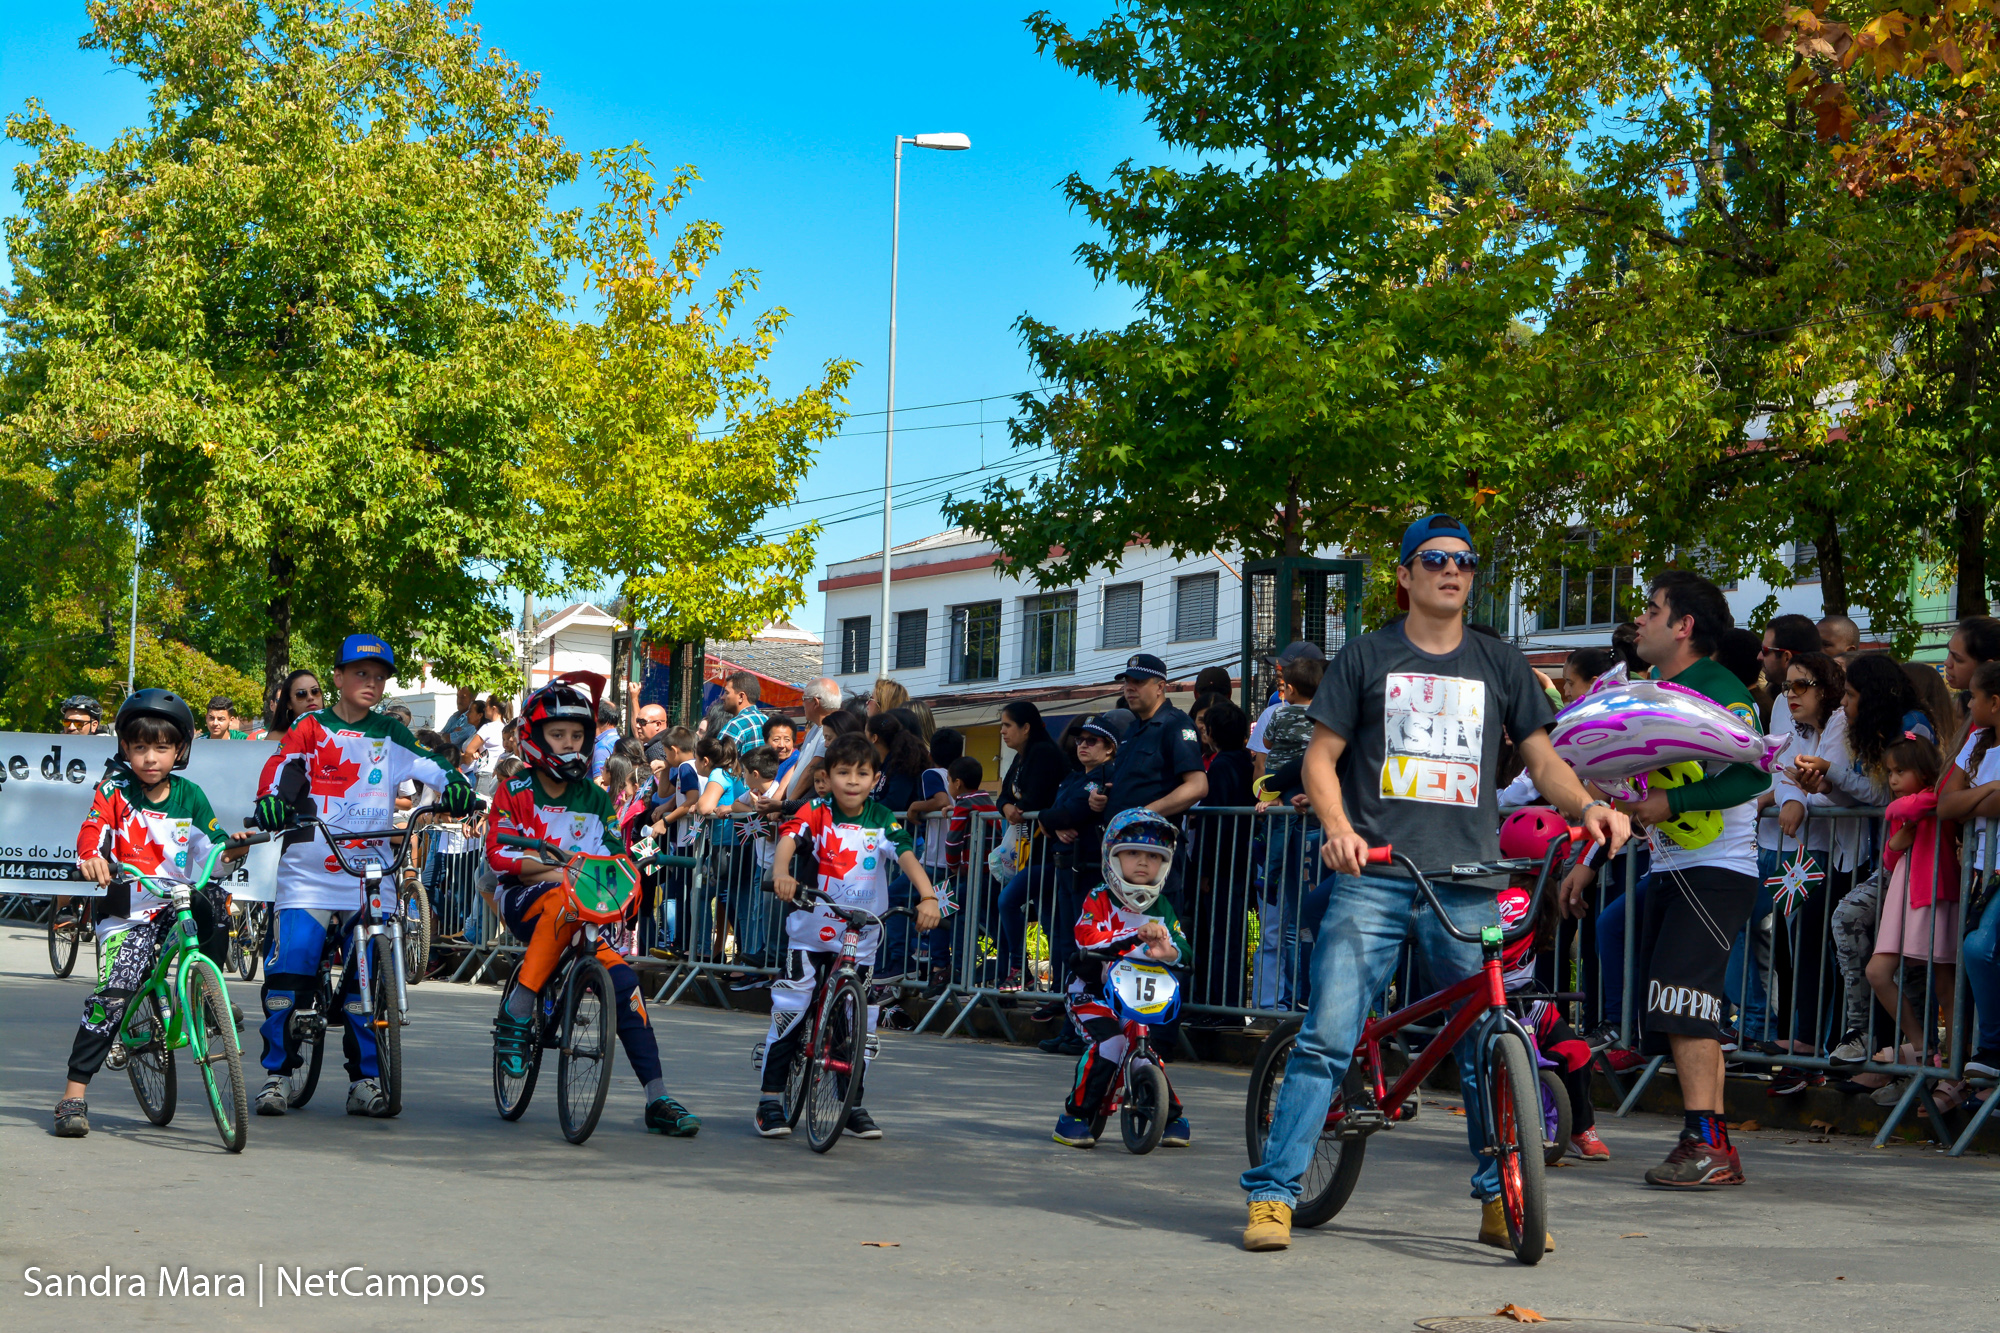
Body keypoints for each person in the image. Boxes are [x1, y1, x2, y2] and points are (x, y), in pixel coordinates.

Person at [1242, 513, 1627, 1253]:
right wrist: (1338, 829)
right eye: (1435, 558)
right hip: (1376, 877)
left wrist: (1587, 807)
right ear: (1406, 574)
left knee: (1488, 1038)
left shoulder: (1500, 662)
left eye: (1464, 560)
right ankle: (1273, 1194)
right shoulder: (1366, 656)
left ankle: (1500, 1198)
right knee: (1327, 1038)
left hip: (1467, 881)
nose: (1452, 569)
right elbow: (1321, 760)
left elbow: (1544, 761)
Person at [248, 635, 479, 1118]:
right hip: (308, 870)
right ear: (337, 676)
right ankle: (278, 1076)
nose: (371, 684)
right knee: (289, 972)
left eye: (379, 677)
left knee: (366, 984)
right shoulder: (310, 727)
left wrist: (457, 786)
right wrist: (270, 800)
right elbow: (280, 767)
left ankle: (365, 1080)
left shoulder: (390, 734)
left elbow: (433, 766)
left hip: (371, 874)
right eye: (361, 674)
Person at [1607, 571, 1770, 1188]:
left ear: (1685, 627)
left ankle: (1709, 1145)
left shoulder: (1718, 688)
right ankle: (1705, 1140)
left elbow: (1753, 776)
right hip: (1672, 867)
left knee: (1684, 1002)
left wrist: (1668, 808)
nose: (1640, 620)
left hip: (1717, 871)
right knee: (1676, 1004)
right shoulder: (1654, 688)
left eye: (1652, 610)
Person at [484, 679, 699, 1137]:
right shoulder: (514, 790)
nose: (569, 744)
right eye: (558, 735)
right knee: (561, 896)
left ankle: (657, 1097)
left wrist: (627, 873)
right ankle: (520, 1008)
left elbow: (616, 854)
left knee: (627, 989)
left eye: (577, 736)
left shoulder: (597, 799)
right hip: (523, 900)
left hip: (581, 911)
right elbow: (500, 856)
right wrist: (555, 873)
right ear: (535, 737)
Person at [51, 690, 247, 1137]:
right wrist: (91, 858)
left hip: (173, 904)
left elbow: (211, 849)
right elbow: (92, 830)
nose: (150, 758)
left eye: (161, 747)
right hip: (129, 911)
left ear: (180, 750)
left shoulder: (190, 796)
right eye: (139, 747)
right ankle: (72, 1097)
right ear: (125, 748)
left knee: (212, 900)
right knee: (113, 998)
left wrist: (230, 848)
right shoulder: (114, 791)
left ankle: (207, 994)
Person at [762, 733, 943, 1138]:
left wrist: (928, 896)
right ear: (826, 777)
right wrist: (781, 874)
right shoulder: (815, 811)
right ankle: (770, 1099)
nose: (853, 781)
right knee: (792, 1008)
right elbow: (789, 838)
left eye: (862, 773)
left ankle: (851, 1103)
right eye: (843, 772)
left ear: (875, 779)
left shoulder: (881, 818)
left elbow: (906, 855)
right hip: (810, 931)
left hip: (860, 935)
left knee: (858, 1020)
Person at [1051, 808, 1193, 1148]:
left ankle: (1168, 1114)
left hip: (1137, 995)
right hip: (1091, 993)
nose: (1143, 862)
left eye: (1153, 856)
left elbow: (1184, 950)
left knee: (1144, 1051)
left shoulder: (1164, 908)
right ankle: (1075, 1115)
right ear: (1112, 857)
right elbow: (1086, 939)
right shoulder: (1099, 898)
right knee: (1111, 1044)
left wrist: (1169, 952)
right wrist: (1135, 938)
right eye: (1132, 853)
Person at [1761, 652, 1856, 1078]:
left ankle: (1817, 1039)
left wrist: (1804, 795)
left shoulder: (1839, 723)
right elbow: (1786, 776)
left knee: (1818, 939)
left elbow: (1830, 781)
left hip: (1840, 853)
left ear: (1826, 688)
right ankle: (1799, 1034)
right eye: (1787, 687)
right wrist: (1796, 798)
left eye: (1801, 686)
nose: (1791, 695)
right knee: (1791, 932)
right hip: (1807, 853)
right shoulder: (1801, 729)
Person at [1089, 655, 1209, 912]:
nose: (1129, 688)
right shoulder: (1132, 729)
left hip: (1155, 850)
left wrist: (1145, 813)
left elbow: (1198, 786)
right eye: (1127, 682)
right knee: (1125, 940)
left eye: (1139, 682)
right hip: (1123, 852)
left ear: (1160, 686)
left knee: (1158, 941)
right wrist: (1104, 798)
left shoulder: (1176, 724)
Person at [1866, 736, 1958, 1068]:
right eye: (1889, 772)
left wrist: (1893, 812)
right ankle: (1921, 1045)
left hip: (1934, 892)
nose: (1892, 780)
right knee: (1877, 972)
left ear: (1922, 770)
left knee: (1945, 984)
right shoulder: (1907, 806)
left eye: (1900, 771)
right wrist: (1895, 841)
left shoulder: (1937, 799)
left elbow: (1912, 805)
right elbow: (1890, 861)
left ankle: (1954, 1058)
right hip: (1904, 896)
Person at [1935, 660, 2000, 1082]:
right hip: (1980, 874)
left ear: (1994, 702)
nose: (1968, 703)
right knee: (1974, 951)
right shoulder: (1977, 740)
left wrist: (1975, 799)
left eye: (1974, 697)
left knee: (1980, 948)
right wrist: (1991, 789)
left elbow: (1983, 808)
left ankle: (1992, 1047)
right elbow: (1946, 806)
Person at [994, 701, 1068, 990]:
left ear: (1026, 728)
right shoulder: (1019, 757)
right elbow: (1002, 797)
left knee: (1009, 902)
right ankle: (1056, 987)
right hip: (1029, 854)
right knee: (1049, 921)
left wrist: (1017, 807)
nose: (1002, 731)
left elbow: (1035, 800)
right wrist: (1007, 808)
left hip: (1049, 853)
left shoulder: (1044, 753)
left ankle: (1019, 968)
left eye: (1007, 725)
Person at [925, 755, 996, 991]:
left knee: (937, 905)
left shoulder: (964, 804)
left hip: (972, 876)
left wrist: (953, 865)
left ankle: (944, 968)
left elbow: (953, 843)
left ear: (957, 783)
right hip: (989, 877)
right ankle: (956, 967)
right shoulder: (986, 800)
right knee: (960, 915)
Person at [783, 679, 843, 800]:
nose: (802, 704)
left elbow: (811, 770)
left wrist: (788, 803)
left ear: (815, 702)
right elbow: (798, 766)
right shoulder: (816, 728)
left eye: (804, 699)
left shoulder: (830, 731)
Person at [719, 671, 767, 753]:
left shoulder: (736, 726)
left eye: (727, 692)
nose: (722, 697)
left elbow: (717, 760)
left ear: (741, 696)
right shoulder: (767, 720)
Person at [268, 669, 323, 737]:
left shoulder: (336, 732)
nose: (310, 697)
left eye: (315, 691)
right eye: (301, 694)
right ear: (289, 703)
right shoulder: (276, 738)